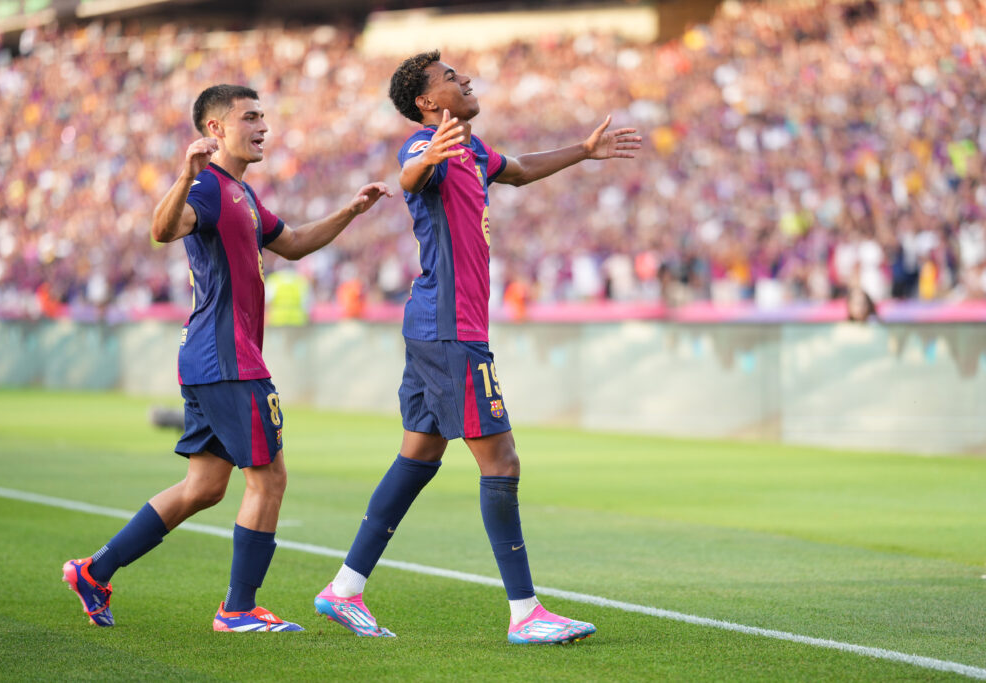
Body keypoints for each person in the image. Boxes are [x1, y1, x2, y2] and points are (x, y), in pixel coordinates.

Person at [313, 51, 641, 644]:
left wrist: (583, 151)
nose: (465, 81)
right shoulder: (425, 147)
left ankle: (343, 589)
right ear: (428, 102)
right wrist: (426, 158)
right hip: (450, 331)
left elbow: (515, 169)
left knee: (418, 458)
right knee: (502, 461)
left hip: (436, 327)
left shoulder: (473, 148)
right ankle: (526, 613)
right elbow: (412, 171)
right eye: (450, 78)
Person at [63, 84, 391, 632]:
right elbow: (162, 230)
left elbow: (294, 243)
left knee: (205, 487)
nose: (262, 125)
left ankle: (94, 572)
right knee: (269, 479)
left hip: (213, 359)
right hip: (227, 359)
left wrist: (352, 211)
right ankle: (238, 608)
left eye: (264, 115)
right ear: (216, 129)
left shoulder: (243, 193)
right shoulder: (210, 188)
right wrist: (187, 174)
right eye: (250, 117)